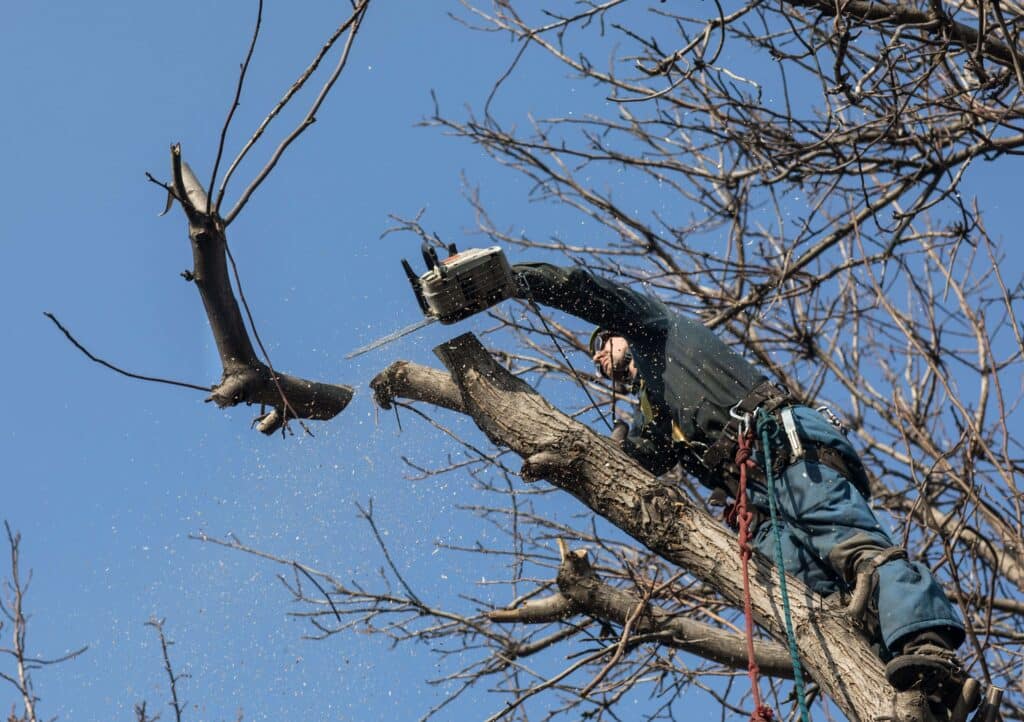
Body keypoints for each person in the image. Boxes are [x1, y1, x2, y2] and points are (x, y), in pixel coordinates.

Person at [512, 261, 971, 715]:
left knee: (849, 546)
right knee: (813, 605)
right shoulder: (654, 410)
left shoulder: (657, 328)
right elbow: (642, 461)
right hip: (754, 501)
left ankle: (928, 646)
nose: (596, 356)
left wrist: (514, 280)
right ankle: (912, 688)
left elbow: (586, 291)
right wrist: (607, 450)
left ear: (622, 329)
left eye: (601, 342)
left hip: (784, 448)